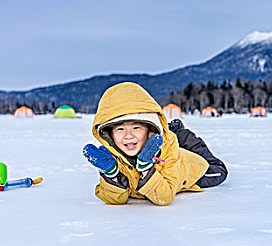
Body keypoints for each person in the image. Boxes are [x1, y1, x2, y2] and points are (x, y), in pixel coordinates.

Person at [82, 82, 228, 206]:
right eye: (120, 129)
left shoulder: (168, 149)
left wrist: (146, 167)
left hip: (191, 167)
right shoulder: (112, 153)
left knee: (219, 172)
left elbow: (164, 197)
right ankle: (173, 133)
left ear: (150, 129)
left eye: (136, 127)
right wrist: (111, 173)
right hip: (166, 149)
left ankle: (180, 134)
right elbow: (115, 199)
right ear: (109, 135)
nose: (128, 136)